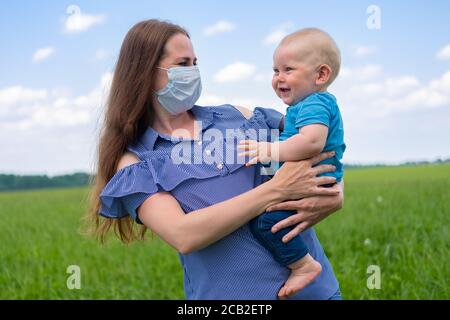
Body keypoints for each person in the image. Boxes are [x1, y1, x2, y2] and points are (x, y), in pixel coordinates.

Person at [86, 19, 344, 300]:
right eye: (183, 64)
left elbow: (318, 139)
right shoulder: (136, 163)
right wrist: (275, 190)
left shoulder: (240, 116)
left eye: (195, 63)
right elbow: (183, 235)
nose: (193, 72)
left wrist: (335, 193)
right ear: (144, 73)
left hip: (316, 292)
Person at [238, 28, 346, 298]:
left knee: (266, 222)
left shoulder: (315, 104)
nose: (278, 78)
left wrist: (270, 150)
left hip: (314, 179)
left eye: (288, 70)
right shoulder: (304, 106)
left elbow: (312, 143)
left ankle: (303, 265)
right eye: (275, 71)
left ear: (321, 75)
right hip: (313, 178)